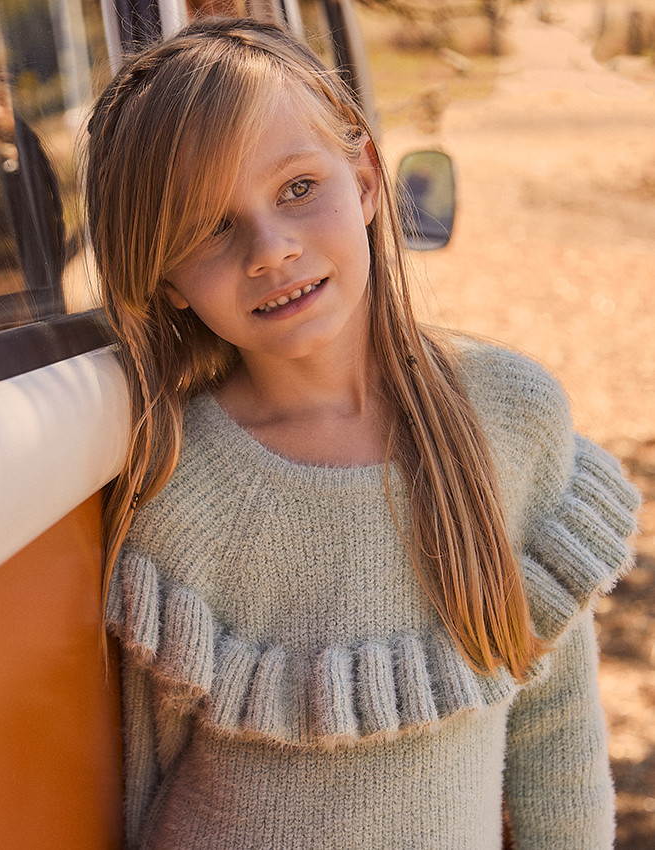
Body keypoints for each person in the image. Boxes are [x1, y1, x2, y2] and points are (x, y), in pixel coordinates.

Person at [82, 18, 639, 849]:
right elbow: (142, 785)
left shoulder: (510, 416)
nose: (271, 250)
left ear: (369, 177)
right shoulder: (179, 485)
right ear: (165, 280)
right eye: (209, 227)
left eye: (298, 189)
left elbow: (559, 736)